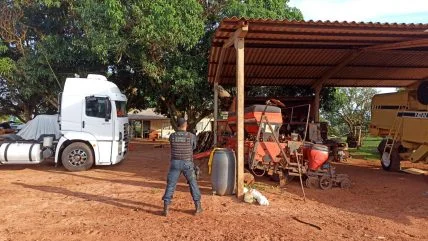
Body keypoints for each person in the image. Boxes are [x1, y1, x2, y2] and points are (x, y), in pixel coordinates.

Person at [162, 118, 202, 216]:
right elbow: (194, 147)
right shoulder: (191, 136)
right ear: (186, 125)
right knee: (193, 184)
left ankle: (166, 208)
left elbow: (172, 145)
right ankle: (198, 207)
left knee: (171, 184)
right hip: (187, 163)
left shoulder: (172, 136)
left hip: (175, 163)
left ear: (177, 125)